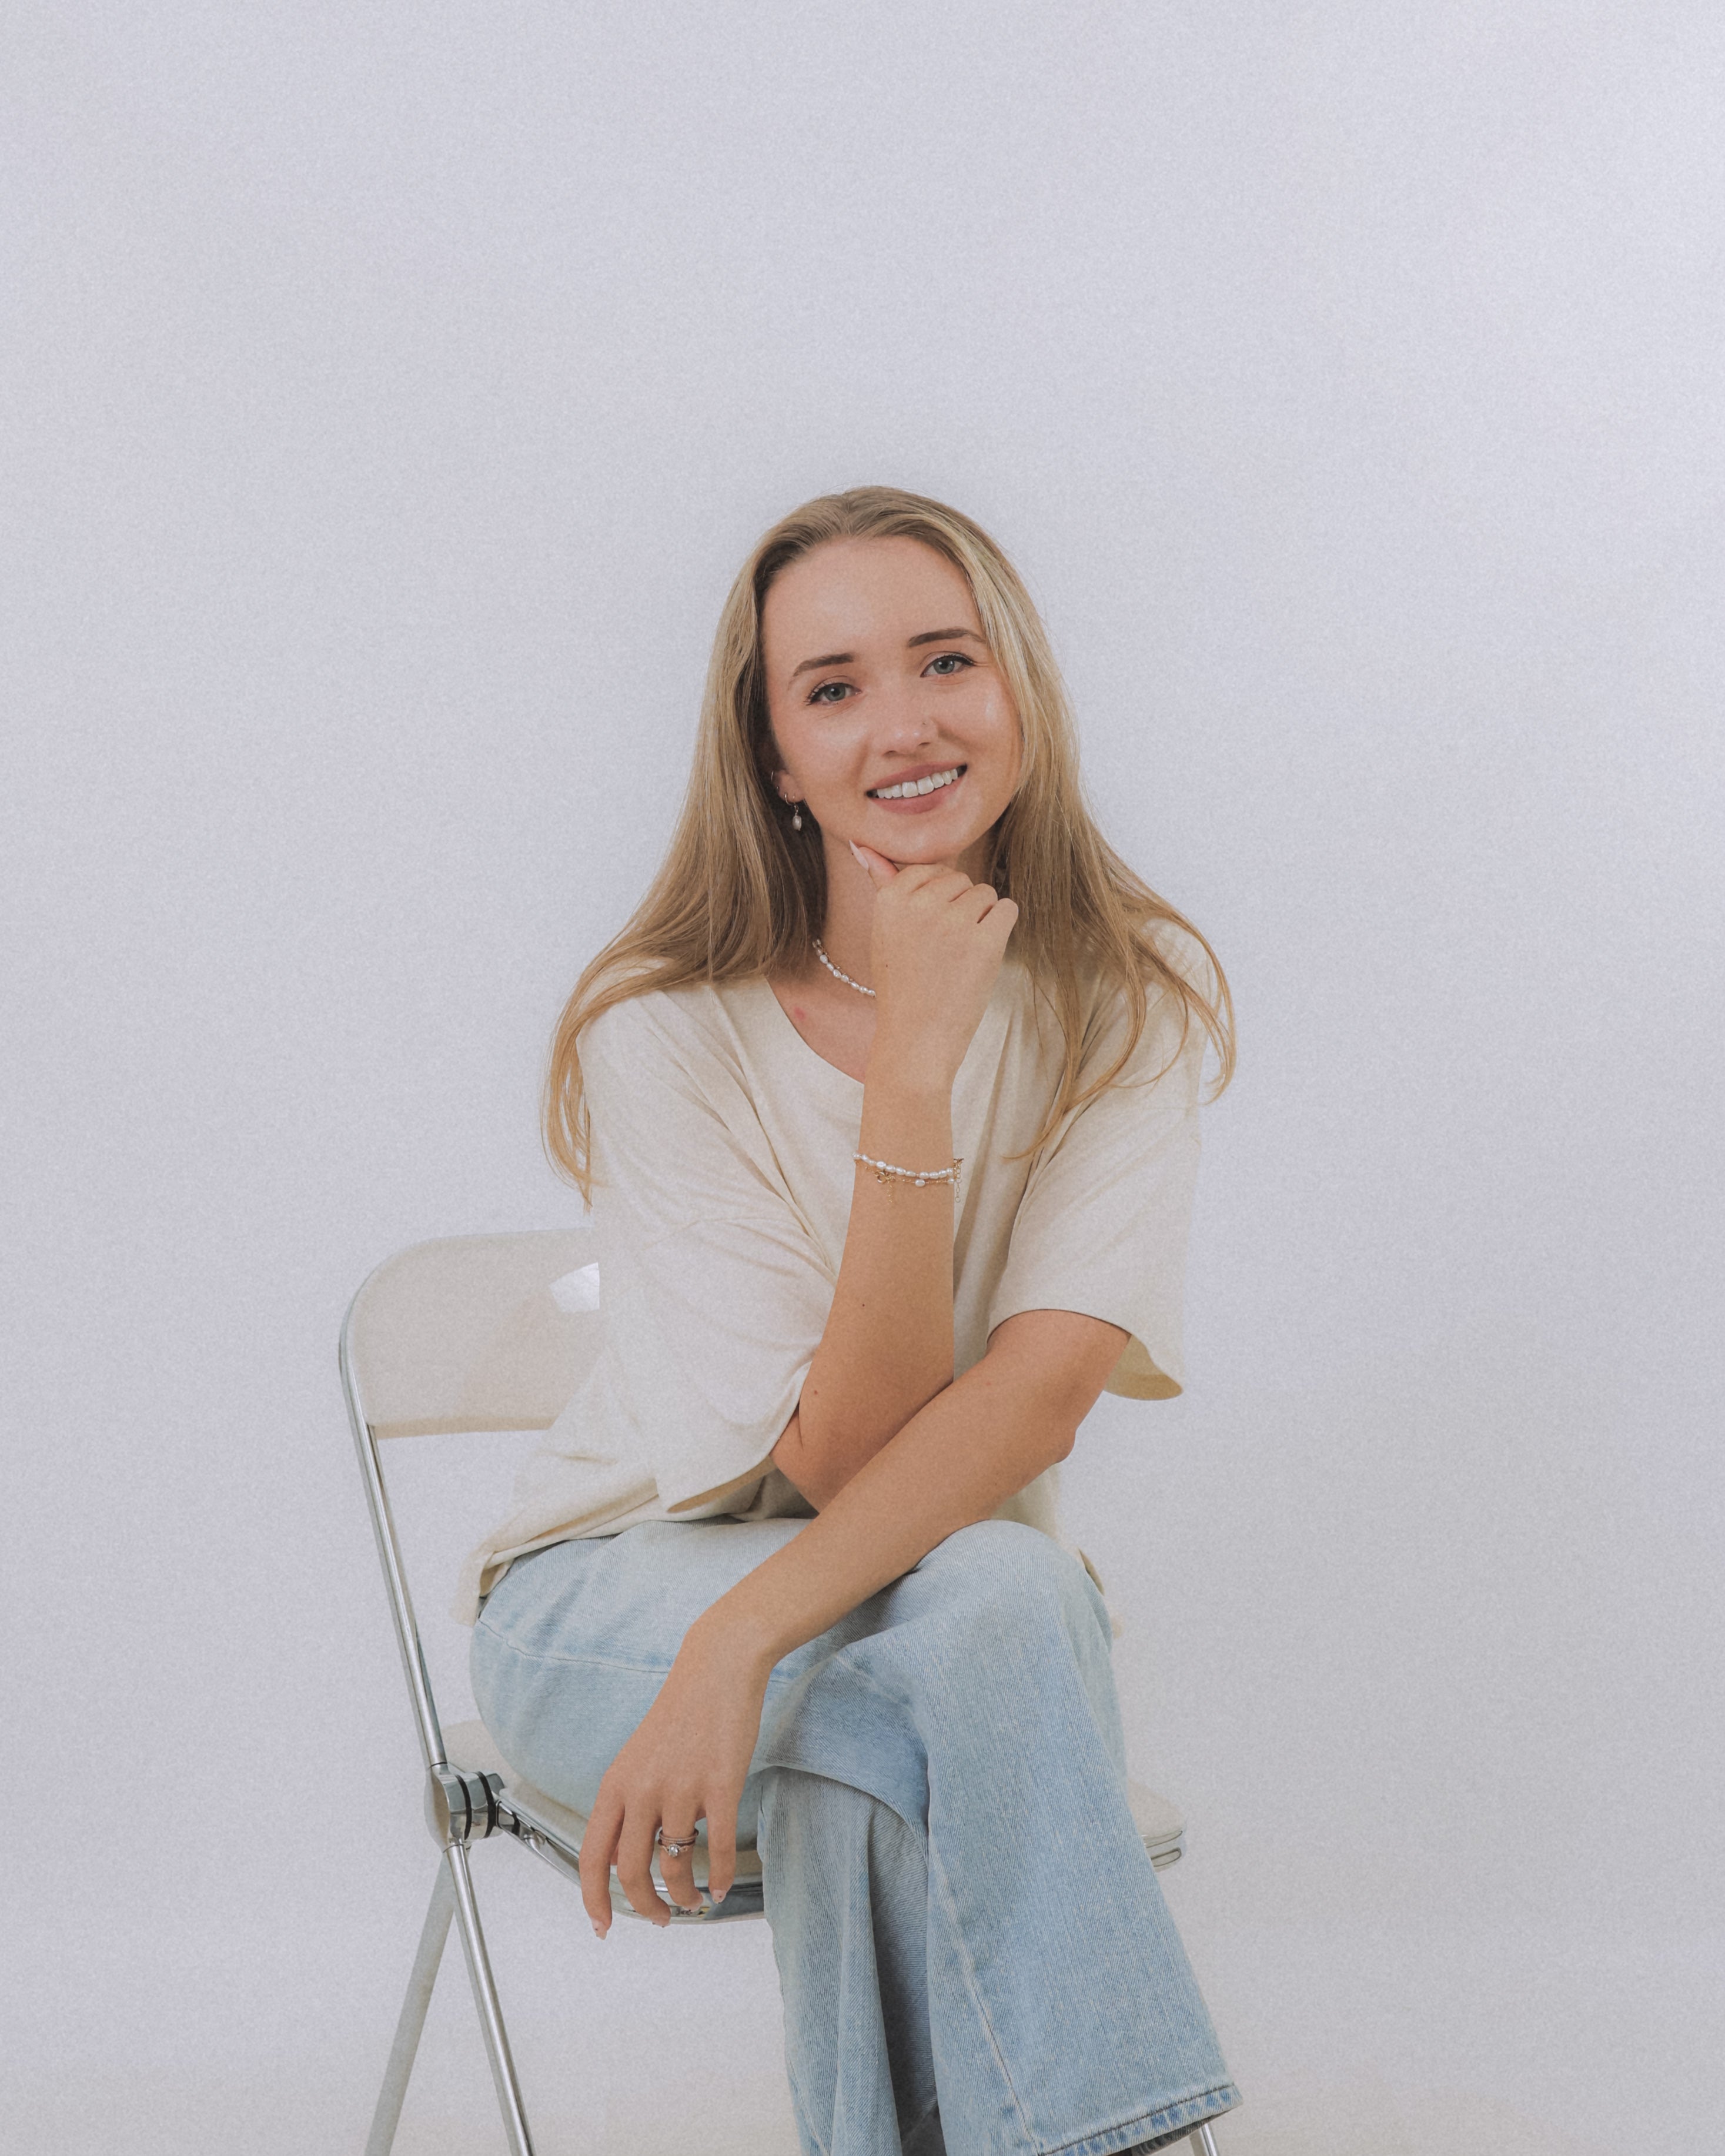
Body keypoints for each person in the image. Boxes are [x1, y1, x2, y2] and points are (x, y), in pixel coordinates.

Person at [456, 487, 1241, 2156]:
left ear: (1018, 688)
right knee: (983, 1632)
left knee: (928, 1681)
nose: (903, 722)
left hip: (890, 1623)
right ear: (773, 760)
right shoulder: (661, 1031)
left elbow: (1029, 1410)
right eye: (831, 687)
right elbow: (835, 1464)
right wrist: (912, 1065)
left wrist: (742, 1638)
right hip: (613, 1608)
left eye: (945, 659)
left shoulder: (1131, 1003)